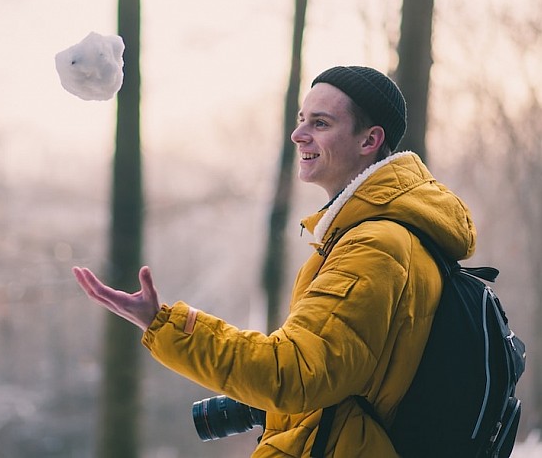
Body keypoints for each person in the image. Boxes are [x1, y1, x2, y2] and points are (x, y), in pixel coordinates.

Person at [72, 66, 476, 457]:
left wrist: (167, 324)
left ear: (369, 140)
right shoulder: (387, 234)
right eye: (302, 119)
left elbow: (294, 373)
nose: (298, 134)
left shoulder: (374, 245)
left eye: (320, 123)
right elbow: (347, 376)